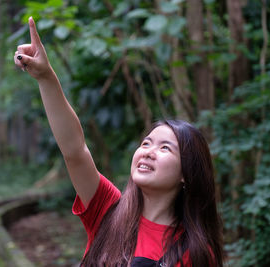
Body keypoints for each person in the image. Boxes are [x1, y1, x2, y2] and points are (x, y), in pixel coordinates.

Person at [14, 17, 224, 267]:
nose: (148, 152)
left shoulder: (197, 252)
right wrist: (46, 77)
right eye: (146, 143)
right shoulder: (108, 210)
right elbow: (75, 151)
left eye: (165, 147)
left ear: (186, 174)